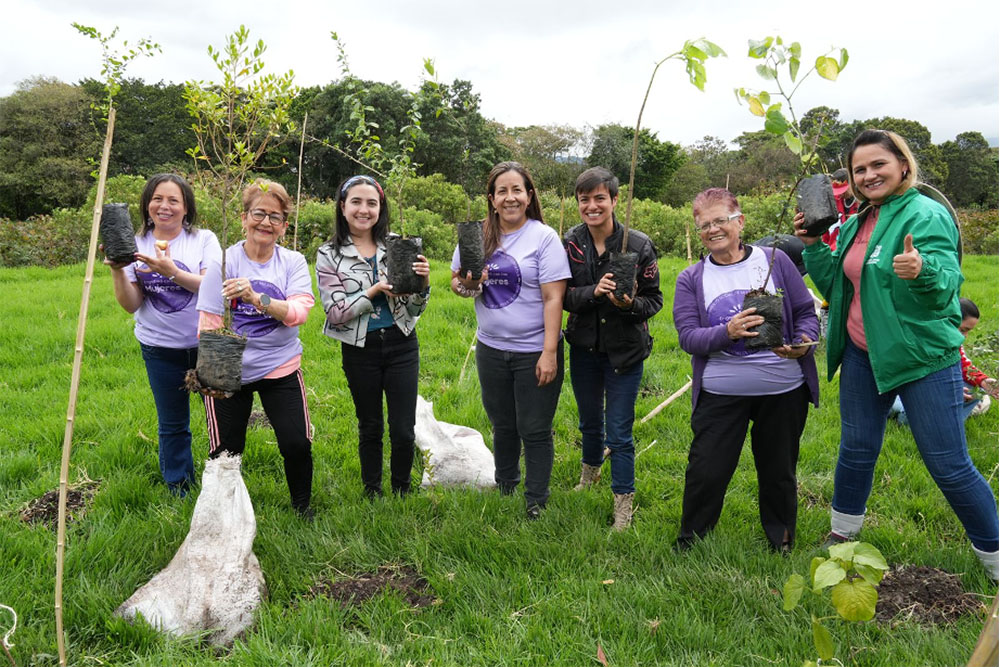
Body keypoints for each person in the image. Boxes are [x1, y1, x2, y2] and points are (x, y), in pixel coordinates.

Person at [795, 129, 999, 580]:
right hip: (864, 356)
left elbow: (948, 283)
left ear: (902, 165)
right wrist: (812, 246)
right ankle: (842, 537)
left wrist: (922, 269)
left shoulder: (925, 214)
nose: (869, 175)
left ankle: (996, 557)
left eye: (878, 165)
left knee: (948, 464)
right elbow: (838, 288)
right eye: (860, 169)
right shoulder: (858, 221)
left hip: (920, 359)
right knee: (857, 449)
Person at [673, 187, 819, 552]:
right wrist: (728, 332)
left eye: (720, 220)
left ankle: (780, 539)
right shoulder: (691, 278)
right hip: (721, 393)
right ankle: (692, 538)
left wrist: (802, 339)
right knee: (706, 469)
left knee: (778, 471)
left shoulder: (775, 261)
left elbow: (804, 312)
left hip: (782, 390)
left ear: (740, 222)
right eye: (704, 225)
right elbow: (689, 337)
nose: (713, 230)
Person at [451, 161, 570, 519]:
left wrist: (549, 351)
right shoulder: (478, 235)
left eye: (516, 190)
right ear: (491, 198)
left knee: (533, 427)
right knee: (502, 424)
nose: (510, 197)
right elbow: (457, 282)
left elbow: (554, 298)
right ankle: (505, 485)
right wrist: (469, 285)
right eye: (501, 191)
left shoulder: (543, 238)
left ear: (529, 195)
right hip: (490, 348)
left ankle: (536, 499)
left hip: (534, 349)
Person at [196, 179, 315, 517]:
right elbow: (207, 321)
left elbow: (298, 313)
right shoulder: (223, 262)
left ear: (284, 226)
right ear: (244, 217)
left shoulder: (292, 262)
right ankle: (224, 513)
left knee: (296, 442)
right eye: (259, 213)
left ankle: (302, 507)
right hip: (229, 368)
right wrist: (214, 375)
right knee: (225, 451)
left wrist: (256, 298)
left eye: (275, 217)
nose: (266, 222)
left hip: (280, 366)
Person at [105, 174, 221, 495]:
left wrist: (172, 272)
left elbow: (214, 289)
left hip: (212, 341)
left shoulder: (203, 239)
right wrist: (117, 269)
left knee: (225, 417)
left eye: (173, 200)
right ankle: (179, 488)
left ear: (186, 208)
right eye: (157, 199)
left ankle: (225, 481)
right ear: (147, 205)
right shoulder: (135, 245)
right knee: (172, 424)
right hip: (159, 348)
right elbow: (132, 305)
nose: (164, 206)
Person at [315, 175, 431, 498]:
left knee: (403, 429)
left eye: (372, 203)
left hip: (402, 343)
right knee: (370, 425)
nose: (364, 210)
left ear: (381, 208)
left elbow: (415, 306)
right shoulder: (329, 254)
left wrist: (422, 284)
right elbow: (335, 313)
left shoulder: (397, 245)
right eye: (356, 202)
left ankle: (401, 489)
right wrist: (373, 291)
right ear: (342, 206)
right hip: (359, 349)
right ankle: (372, 491)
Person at [562, 167, 662, 530]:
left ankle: (624, 502)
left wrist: (629, 305)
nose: (592, 206)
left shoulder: (637, 245)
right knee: (589, 421)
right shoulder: (570, 243)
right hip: (585, 348)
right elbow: (561, 297)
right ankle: (588, 476)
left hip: (624, 352)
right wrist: (593, 292)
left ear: (615, 200)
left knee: (618, 431)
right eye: (584, 200)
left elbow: (654, 300)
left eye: (599, 198)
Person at [889, 297, 999, 425]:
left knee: (977, 391)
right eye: (963, 330)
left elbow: (963, 365)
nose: (965, 336)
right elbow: (909, 375)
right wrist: (945, 391)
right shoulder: (919, 338)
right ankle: (909, 416)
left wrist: (983, 381)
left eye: (969, 331)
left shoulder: (953, 342)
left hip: (932, 392)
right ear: (949, 321)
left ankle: (945, 417)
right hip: (902, 391)